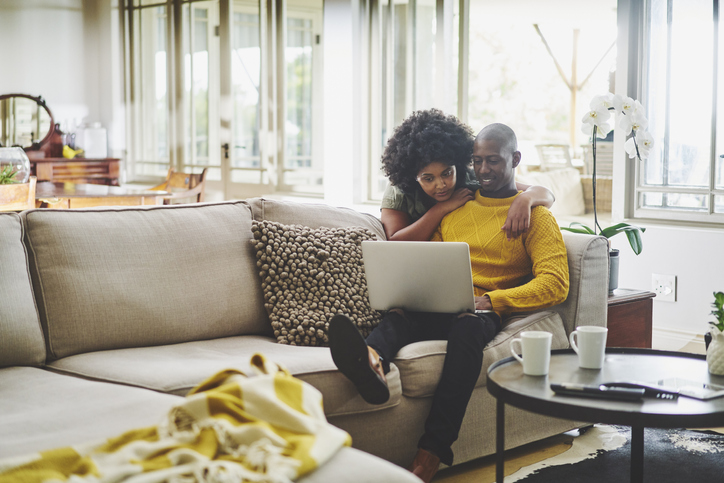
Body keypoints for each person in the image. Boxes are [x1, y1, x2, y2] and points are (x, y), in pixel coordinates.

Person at [328, 122, 570, 482]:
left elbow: (555, 284)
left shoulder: (536, 216)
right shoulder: (457, 207)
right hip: (446, 302)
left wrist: (491, 300)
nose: (484, 170)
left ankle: (433, 449)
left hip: (483, 310)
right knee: (399, 316)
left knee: (467, 325)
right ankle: (371, 361)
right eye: (477, 161)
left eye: (493, 161)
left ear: (515, 159)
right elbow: (433, 261)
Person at [379, 108, 555, 242]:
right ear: (413, 176)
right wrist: (442, 208)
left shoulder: (472, 177)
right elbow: (395, 241)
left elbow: (547, 194)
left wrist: (525, 199)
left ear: (458, 164)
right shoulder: (399, 188)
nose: (441, 185)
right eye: (428, 178)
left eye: (447, 173)